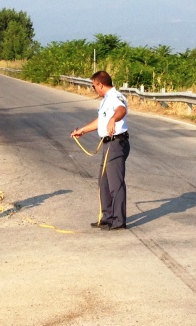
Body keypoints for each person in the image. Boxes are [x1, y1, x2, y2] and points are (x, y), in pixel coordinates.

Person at [70, 71, 130, 230]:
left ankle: (119, 221)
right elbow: (100, 121)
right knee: (103, 182)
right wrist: (82, 130)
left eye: (94, 86)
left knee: (115, 183)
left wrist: (113, 119)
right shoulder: (105, 100)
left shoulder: (116, 96)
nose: (94, 89)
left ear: (100, 84)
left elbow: (121, 110)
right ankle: (107, 218)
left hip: (116, 143)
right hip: (107, 143)